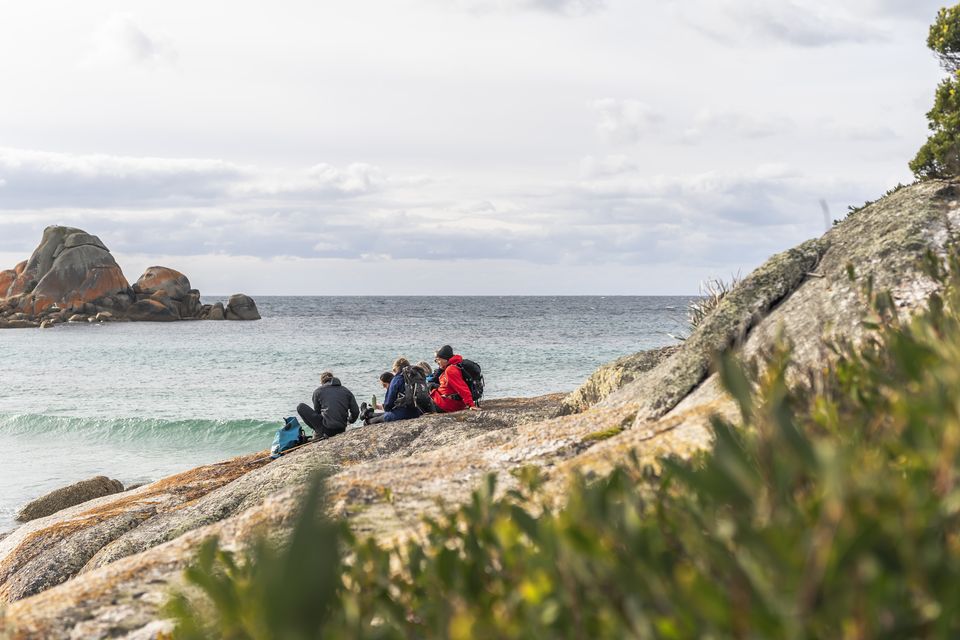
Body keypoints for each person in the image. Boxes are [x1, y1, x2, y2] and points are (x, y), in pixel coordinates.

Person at [297, 371, 359, 439]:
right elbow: (356, 411)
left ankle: (318, 431)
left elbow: (317, 412)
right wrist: (350, 421)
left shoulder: (318, 391)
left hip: (327, 430)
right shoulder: (346, 391)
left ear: (322, 382)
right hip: (342, 428)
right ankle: (320, 430)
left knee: (300, 407)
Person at [365, 357, 423, 424]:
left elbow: (388, 406)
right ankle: (368, 414)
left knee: (383, 417)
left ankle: (367, 421)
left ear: (396, 368)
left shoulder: (397, 379)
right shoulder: (416, 376)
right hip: (417, 412)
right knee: (387, 414)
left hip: (403, 414)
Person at [430, 345, 480, 413]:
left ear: (445, 359)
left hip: (445, 404)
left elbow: (462, 387)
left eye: (438, 359)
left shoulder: (450, 370)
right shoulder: (455, 365)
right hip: (449, 401)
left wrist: (471, 404)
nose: (437, 362)